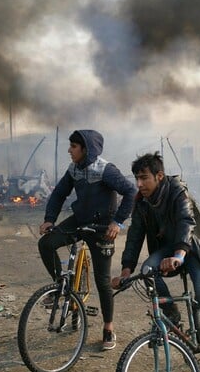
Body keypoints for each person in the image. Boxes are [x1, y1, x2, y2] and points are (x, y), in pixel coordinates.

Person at [111, 152, 200, 372]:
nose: (139, 183)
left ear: (160, 176)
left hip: (194, 248)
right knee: (147, 271)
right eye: (137, 178)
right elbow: (135, 236)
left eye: (144, 178)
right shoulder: (141, 202)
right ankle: (172, 314)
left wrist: (179, 254)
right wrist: (126, 269)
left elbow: (186, 221)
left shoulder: (177, 191)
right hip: (167, 251)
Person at [38, 129, 136, 351]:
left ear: (86, 149)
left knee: (102, 281)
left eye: (73, 146)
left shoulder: (105, 170)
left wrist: (118, 222)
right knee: (46, 243)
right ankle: (63, 289)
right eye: (70, 145)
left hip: (103, 229)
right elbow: (59, 193)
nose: (69, 150)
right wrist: (49, 219)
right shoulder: (74, 169)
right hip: (80, 221)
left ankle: (108, 327)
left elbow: (130, 192)